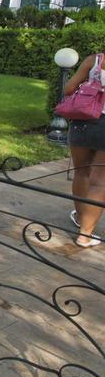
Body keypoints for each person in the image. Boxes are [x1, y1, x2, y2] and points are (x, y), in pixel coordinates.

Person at [65, 53, 105, 247]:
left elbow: (69, 89)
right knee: (100, 182)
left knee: (81, 172)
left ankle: (82, 219)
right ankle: (85, 235)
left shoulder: (94, 60)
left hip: (83, 121)